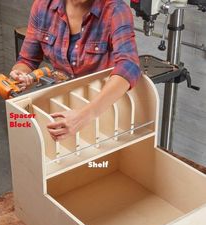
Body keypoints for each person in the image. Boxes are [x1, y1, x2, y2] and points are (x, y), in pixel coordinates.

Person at [10, 0, 141, 141]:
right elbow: (27, 59)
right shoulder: (43, 6)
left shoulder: (116, 10)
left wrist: (85, 115)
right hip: (61, 106)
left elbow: (129, 65)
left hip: (101, 108)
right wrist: (21, 74)